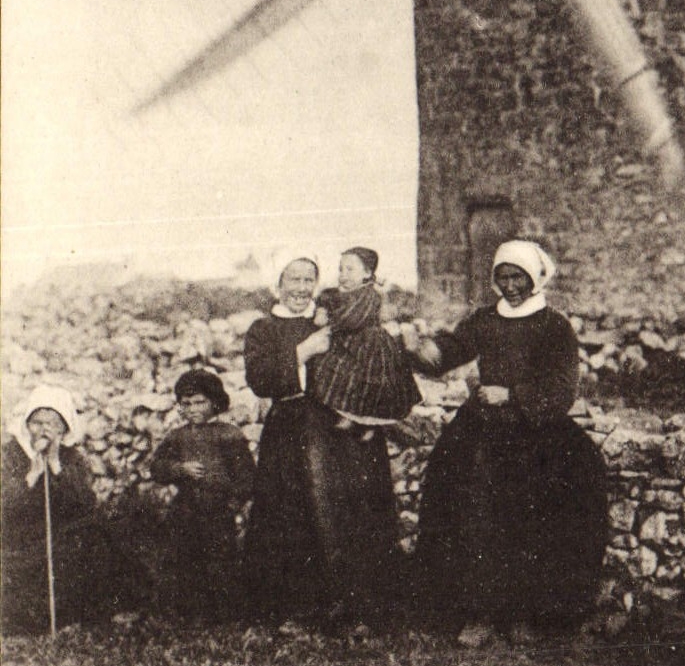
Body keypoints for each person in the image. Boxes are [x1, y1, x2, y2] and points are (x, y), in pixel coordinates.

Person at [409, 239, 608, 645]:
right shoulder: (485, 319)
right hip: (482, 430)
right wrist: (427, 351)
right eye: (503, 278)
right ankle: (478, 614)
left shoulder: (555, 327)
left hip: (536, 433)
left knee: (531, 520)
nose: (511, 286)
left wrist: (513, 395)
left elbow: (561, 388)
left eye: (518, 277)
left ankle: (523, 615)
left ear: (535, 277)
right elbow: (454, 347)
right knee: (472, 516)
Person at [241, 249, 401, 627]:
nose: (301, 287)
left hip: (340, 427)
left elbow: (369, 356)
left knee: (349, 514)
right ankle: (298, 609)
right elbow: (260, 380)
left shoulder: (334, 318)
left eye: (307, 279)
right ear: (277, 284)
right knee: (294, 516)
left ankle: (357, 608)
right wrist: (302, 352)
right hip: (291, 431)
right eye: (292, 279)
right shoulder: (264, 328)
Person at [1, 384, 131, 633]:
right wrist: (31, 476)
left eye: (52, 424)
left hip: (61, 536)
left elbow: (85, 503)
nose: (43, 430)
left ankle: (87, 615)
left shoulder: (72, 458)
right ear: (27, 425)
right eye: (37, 422)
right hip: (21, 540)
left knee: (95, 538)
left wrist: (55, 464)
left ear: (64, 428)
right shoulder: (10, 455)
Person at [149, 369, 255, 620]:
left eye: (200, 402)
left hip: (218, 510)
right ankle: (186, 612)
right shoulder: (177, 437)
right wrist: (179, 469)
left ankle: (224, 615)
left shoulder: (229, 435)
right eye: (186, 404)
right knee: (183, 559)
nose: (193, 409)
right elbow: (157, 468)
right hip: (185, 509)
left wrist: (233, 505)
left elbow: (246, 477)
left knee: (219, 561)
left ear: (215, 403)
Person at [310, 247, 421, 433]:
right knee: (338, 375)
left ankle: (366, 423)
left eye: (350, 269)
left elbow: (353, 318)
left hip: (370, 345)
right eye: (341, 269)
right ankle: (349, 416)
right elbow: (326, 298)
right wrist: (321, 309)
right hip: (350, 340)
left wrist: (329, 321)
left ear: (367, 273)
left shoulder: (369, 294)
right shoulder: (339, 292)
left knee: (366, 382)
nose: (343, 275)